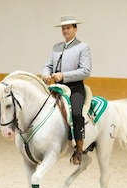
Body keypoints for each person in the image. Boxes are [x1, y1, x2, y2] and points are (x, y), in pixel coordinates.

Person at [42, 15, 92, 165]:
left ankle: (79, 148)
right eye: (63, 28)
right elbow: (48, 65)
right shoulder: (56, 47)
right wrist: (45, 74)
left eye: (69, 28)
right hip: (57, 87)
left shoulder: (83, 47)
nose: (65, 30)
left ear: (75, 29)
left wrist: (64, 75)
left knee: (76, 113)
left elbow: (86, 71)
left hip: (75, 87)